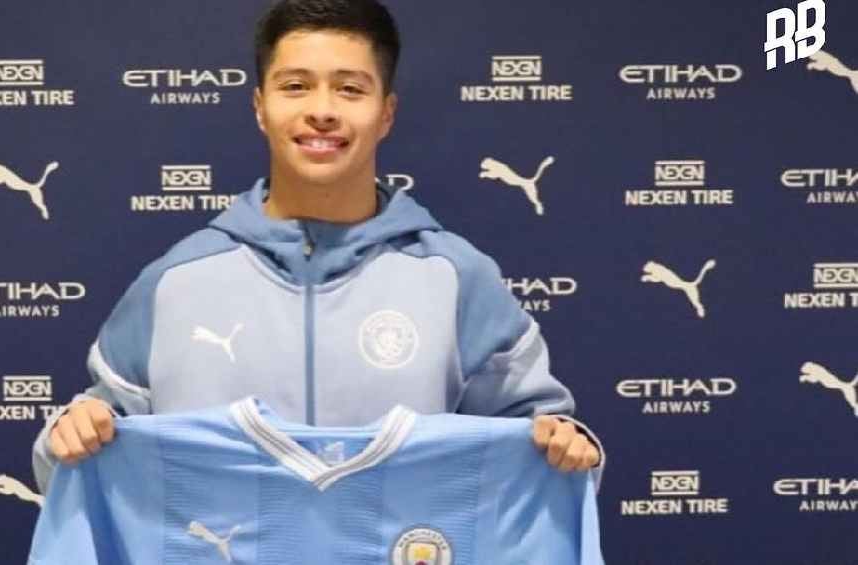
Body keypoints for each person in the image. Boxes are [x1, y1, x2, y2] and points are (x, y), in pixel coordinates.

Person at [32, 0, 603, 494]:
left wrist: (567, 446)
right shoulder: (175, 282)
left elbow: (540, 449)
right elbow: (79, 461)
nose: (323, 110)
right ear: (260, 106)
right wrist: (71, 433)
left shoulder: (456, 276)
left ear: (386, 113)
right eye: (296, 86)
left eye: (350, 88)